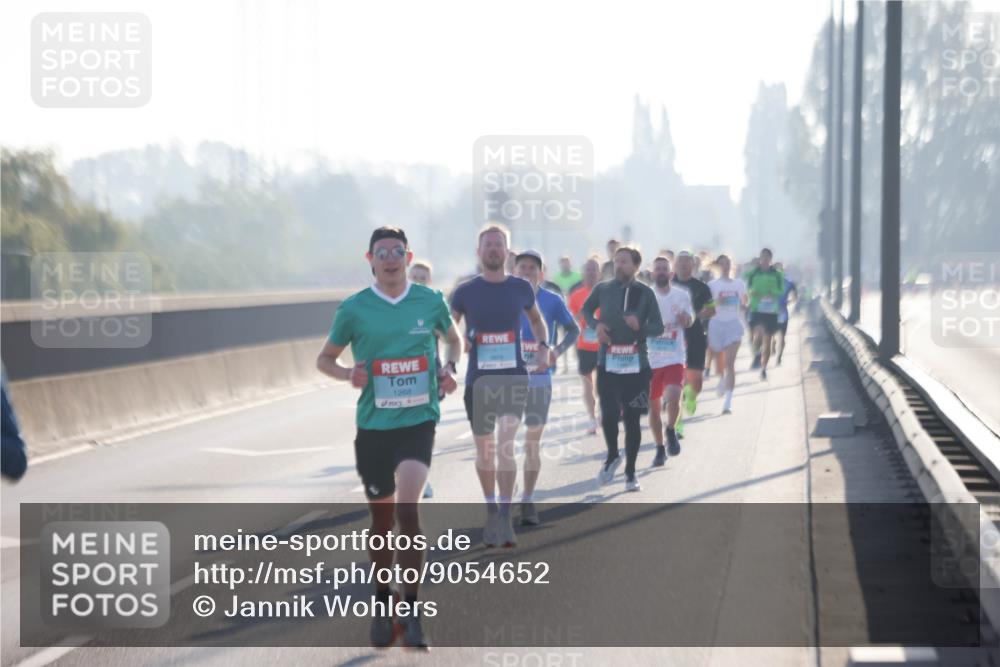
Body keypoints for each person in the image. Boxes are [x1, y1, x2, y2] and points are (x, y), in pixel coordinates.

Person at [316, 227, 461, 649]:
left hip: (418, 420)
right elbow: (324, 358)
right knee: (381, 523)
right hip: (374, 428)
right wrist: (348, 374)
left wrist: (449, 368)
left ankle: (412, 611)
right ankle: (383, 601)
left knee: (408, 510)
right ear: (371, 259)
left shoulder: (430, 301)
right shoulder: (355, 308)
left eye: (398, 251)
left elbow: (453, 339)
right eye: (383, 253)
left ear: (408, 255)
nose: (391, 258)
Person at [451, 223, 550, 548]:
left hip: (513, 377)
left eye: (499, 244)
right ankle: (491, 506)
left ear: (507, 253)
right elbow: (450, 328)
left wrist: (543, 346)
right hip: (479, 380)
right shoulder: (465, 291)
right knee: (486, 450)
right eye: (488, 244)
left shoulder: (521, 287)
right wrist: (459, 342)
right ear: (479, 252)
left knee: (506, 442)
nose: (493, 249)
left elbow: (536, 320)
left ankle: (506, 514)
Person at [581, 245, 664, 492]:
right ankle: (612, 455)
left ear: (636, 266)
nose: (619, 265)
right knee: (607, 414)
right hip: (607, 362)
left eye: (625, 262)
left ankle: (630, 473)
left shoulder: (645, 293)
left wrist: (640, 327)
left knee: (631, 420)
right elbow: (586, 309)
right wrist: (596, 325)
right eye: (616, 261)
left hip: (637, 366)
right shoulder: (603, 289)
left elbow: (658, 327)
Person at [514, 250, 579, 525]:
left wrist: (556, 351)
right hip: (506, 378)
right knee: (503, 442)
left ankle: (527, 498)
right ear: (514, 270)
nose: (527, 272)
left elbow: (573, 329)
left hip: (540, 377)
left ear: (541, 272)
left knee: (532, 442)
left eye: (532, 268)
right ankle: (504, 498)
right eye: (522, 267)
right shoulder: (503, 297)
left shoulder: (552, 300)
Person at [647, 256, 693, 464]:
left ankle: (671, 429)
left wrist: (686, 319)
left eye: (665, 269)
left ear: (671, 273)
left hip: (674, 356)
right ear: (652, 273)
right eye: (658, 269)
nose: (662, 272)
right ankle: (659, 448)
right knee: (654, 407)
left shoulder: (681, 295)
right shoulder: (645, 296)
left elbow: (690, 319)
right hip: (650, 360)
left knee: (674, 396)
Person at [671, 251, 715, 438]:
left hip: (696, 335)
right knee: (676, 382)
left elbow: (712, 310)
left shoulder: (702, 287)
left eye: (686, 262)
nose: (683, 265)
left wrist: (698, 315)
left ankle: (692, 395)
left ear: (692, 265)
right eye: (680, 262)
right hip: (671, 338)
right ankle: (677, 425)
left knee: (695, 381)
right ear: (675, 265)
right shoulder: (667, 285)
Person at [409, 261, 439, 499]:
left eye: (423, 277)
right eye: (415, 276)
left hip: (428, 373)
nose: (419, 280)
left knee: (424, 429)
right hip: (398, 374)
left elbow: (449, 333)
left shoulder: (434, 303)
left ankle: (423, 476)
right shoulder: (395, 303)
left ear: (429, 281)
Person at [707, 255, 748, 414]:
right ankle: (722, 380)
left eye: (728, 264)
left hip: (733, 325)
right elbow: (707, 305)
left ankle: (728, 402)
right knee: (720, 366)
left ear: (732, 266)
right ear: (718, 266)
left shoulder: (738, 284)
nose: (725, 267)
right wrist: (718, 302)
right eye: (722, 264)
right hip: (716, 325)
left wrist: (744, 299)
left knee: (730, 364)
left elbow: (745, 302)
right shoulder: (712, 285)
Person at [567, 256, 602, 435]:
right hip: (585, 345)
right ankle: (591, 417)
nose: (590, 273)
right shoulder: (576, 295)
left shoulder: (607, 292)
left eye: (594, 269)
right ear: (583, 272)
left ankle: (604, 411)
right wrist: (580, 317)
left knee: (604, 383)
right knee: (587, 384)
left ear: (599, 273)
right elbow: (570, 319)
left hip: (605, 345)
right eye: (588, 269)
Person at [744, 248, 785, 380]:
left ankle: (763, 368)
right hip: (757, 308)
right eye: (763, 257)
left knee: (767, 341)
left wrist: (772, 293)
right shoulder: (754, 273)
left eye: (767, 257)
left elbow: (781, 290)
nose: (765, 260)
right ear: (760, 258)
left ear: (770, 259)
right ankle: (756, 352)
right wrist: (752, 293)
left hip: (771, 310)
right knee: (758, 334)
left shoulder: (777, 274)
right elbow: (745, 285)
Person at [773, 263, 798, 366]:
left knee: (782, 337)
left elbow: (795, 295)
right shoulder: (770, 282)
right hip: (772, 313)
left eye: (780, 270)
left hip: (783, 313)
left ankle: (779, 356)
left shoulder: (788, 282)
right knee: (772, 335)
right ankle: (773, 344)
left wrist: (789, 301)